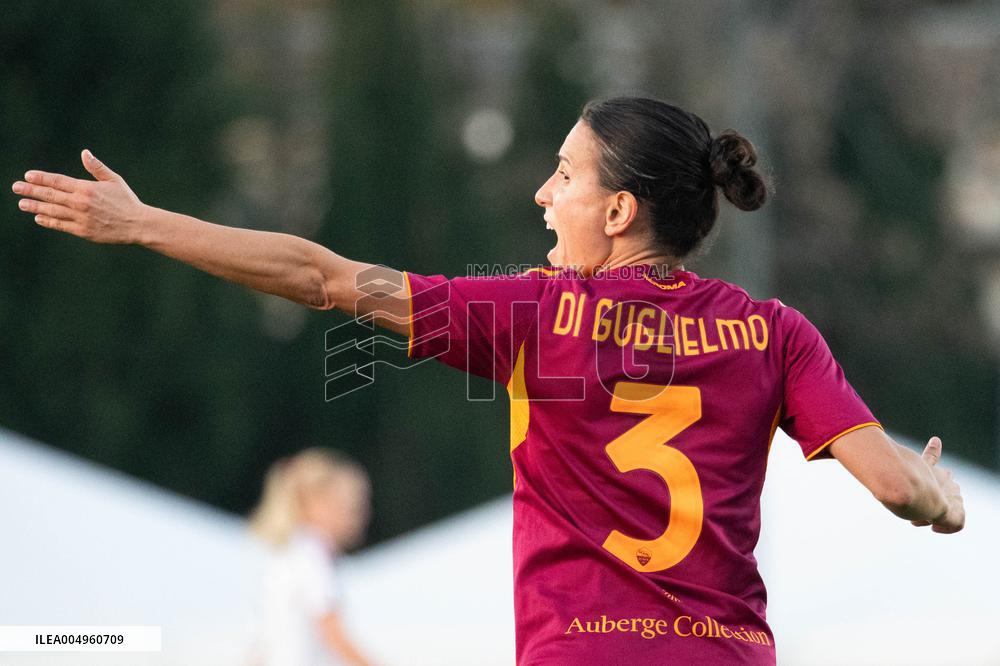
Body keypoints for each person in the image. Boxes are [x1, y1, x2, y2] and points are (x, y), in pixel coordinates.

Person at [12, 96, 965, 665]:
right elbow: (892, 485)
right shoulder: (773, 331)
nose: (542, 194)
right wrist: (944, 502)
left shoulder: (529, 312)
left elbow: (321, 276)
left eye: (562, 176)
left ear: (621, 210)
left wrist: (144, 224)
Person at [248, 448, 373, 666]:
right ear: (315, 504)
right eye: (350, 507)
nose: (362, 516)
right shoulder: (313, 556)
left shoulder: (289, 553)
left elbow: (264, 644)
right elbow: (334, 635)